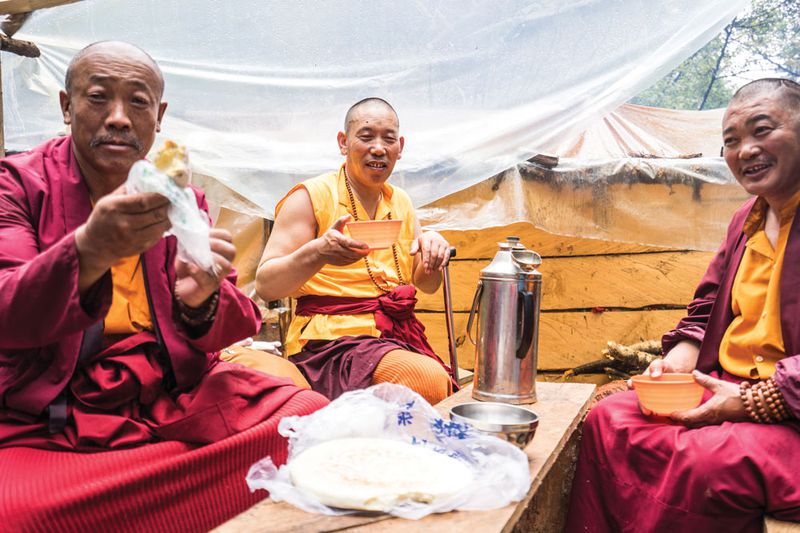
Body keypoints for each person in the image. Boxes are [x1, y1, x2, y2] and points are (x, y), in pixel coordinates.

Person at [0, 41, 328, 531]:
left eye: (138, 101)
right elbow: (8, 310)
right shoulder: (18, 185)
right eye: (97, 98)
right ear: (66, 107)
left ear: (160, 115)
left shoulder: (179, 197)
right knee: (17, 513)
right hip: (53, 405)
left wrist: (200, 302)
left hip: (167, 394)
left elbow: (231, 318)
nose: (118, 117)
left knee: (309, 418)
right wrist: (88, 250)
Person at [566, 78, 800, 532]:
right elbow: (706, 309)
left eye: (762, 130)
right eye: (731, 141)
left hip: (788, 411)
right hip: (726, 384)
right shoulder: (745, 221)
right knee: (609, 420)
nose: (746, 150)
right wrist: (675, 364)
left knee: (706, 465)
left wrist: (760, 401)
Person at [240, 97, 455, 404]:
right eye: (366, 137)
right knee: (426, 380)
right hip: (328, 343)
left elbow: (426, 284)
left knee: (434, 382)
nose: (378, 148)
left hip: (391, 338)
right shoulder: (312, 196)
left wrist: (433, 257)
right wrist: (318, 253)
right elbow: (266, 284)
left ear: (400, 146)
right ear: (343, 142)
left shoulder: (400, 202)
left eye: (388, 139)